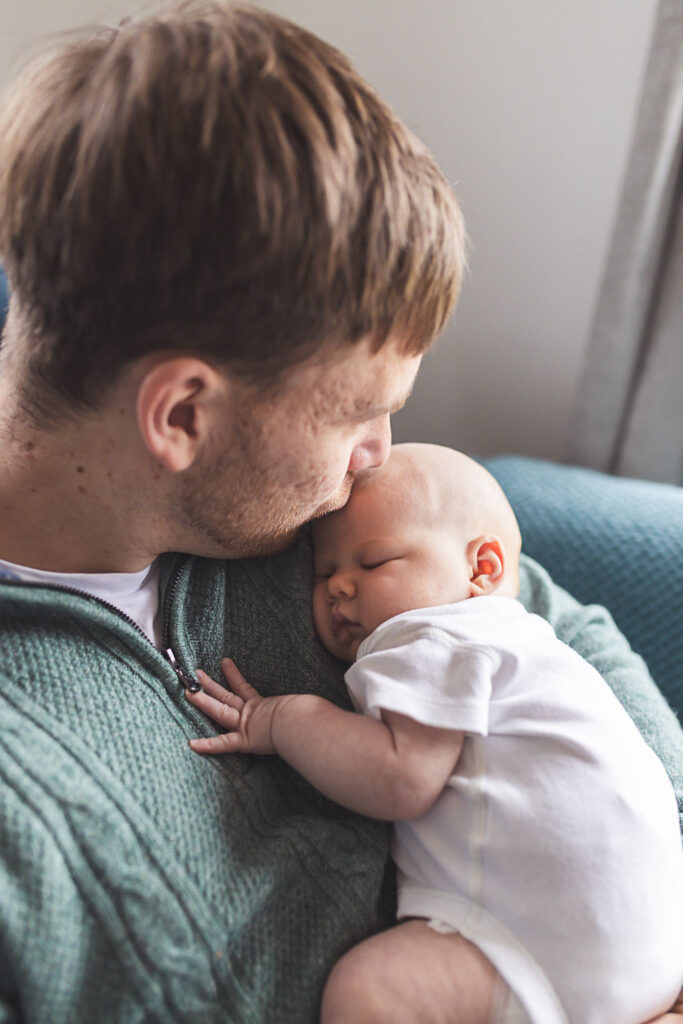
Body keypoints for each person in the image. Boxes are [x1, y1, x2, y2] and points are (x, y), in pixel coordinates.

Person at [0, 2, 680, 1021]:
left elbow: (552, 628)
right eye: (359, 414)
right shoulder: (28, 821)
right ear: (182, 412)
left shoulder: (320, 521)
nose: (381, 457)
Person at [186, 443, 683, 1024]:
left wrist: (278, 719)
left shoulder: (436, 635)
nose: (339, 587)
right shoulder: (530, 648)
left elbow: (401, 777)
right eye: (325, 573)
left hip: (546, 942)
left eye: (373, 563)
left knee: (369, 993)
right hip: (649, 948)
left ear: (481, 570)